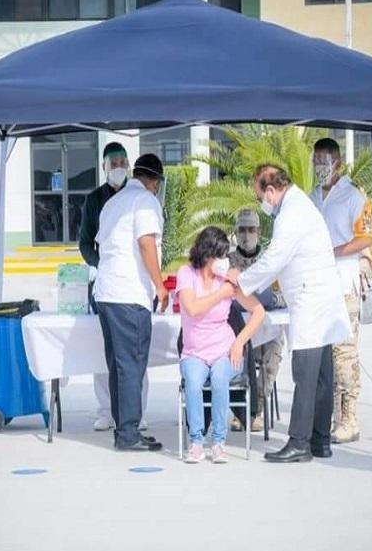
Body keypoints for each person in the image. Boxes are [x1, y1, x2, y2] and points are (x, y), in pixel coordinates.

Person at [228, 164, 350, 463]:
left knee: (306, 374)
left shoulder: (291, 213)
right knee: (322, 374)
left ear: (271, 190)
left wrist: (240, 281)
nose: (262, 202)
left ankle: (299, 442)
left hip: (312, 299)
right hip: (321, 297)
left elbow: (274, 260)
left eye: (260, 195)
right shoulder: (298, 206)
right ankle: (320, 440)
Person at [93, 154, 167, 451]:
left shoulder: (114, 202)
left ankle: (124, 427)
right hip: (128, 294)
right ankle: (128, 434)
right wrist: (161, 286)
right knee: (132, 364)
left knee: (118, 364)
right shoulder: (146, 201)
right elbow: (146, 243)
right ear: (155, 181)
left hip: (106, 293)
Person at [79, 142, 150, 432]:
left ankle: (137, 411)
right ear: (104, 166)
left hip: (134, 283)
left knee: (134, 355)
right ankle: (106, 410)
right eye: (114, 162)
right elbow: (85, 242)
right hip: (105, 281)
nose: (119, 167)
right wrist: (101, 262)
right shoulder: (94, 199)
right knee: (105, 351)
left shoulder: (141, 197)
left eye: (123, 162)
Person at [178, 227, 265, 464]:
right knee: (194, 383)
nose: (224, 261)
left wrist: (240, 341)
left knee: (219, 380)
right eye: (220, 255)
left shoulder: (227, 279)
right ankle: (196, 442)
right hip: (194, 352)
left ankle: (218, 442)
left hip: (223, 350)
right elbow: (193, 308)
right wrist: (221, 293)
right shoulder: (187, 274)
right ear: (207, 255)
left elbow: (258, 312)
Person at [310, 138, 372, 444]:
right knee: (324, 355)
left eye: (324, 161)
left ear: (337, 162)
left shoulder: (353, 197)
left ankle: (350, 419)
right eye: (315, 161)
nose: (319, 167)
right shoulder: (312, 196)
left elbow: (366, 239)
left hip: (345, 284)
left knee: (344, 353)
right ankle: (330, 416)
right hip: (317, 287)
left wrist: (332, 251)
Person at [228, 208, 286, 433]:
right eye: (241, 230)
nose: (246, 235)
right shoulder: (228, 261)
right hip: (238, 333)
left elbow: (284, 295)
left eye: (251, 230)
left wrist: (271, 298)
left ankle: (257, 408)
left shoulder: (269, 261)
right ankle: (240, 411)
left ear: (259, 232)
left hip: (266, 330)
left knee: (273, 353)